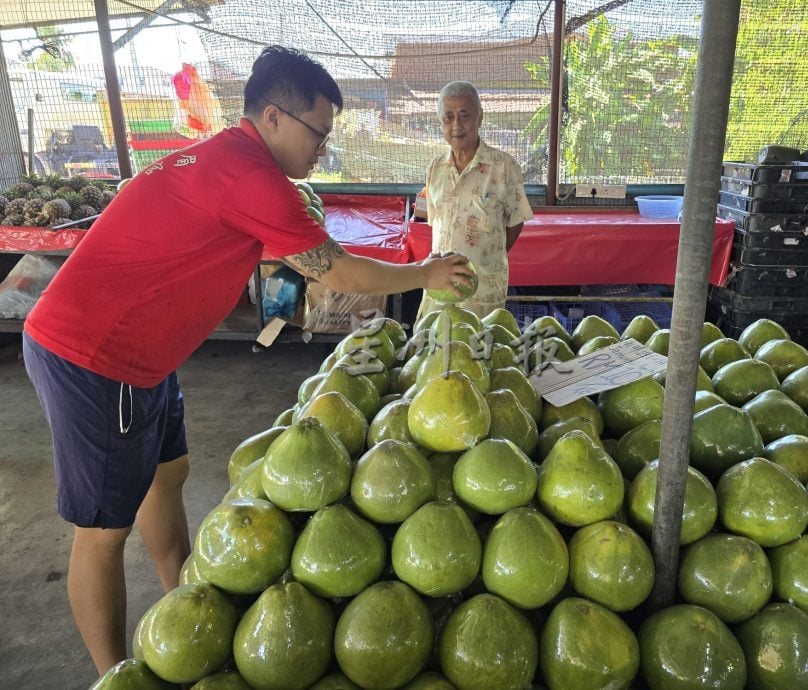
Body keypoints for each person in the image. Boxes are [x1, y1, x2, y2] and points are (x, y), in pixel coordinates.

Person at [21, 45, 471, 676]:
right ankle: (116, 674)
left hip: (146, 358)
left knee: (166, 475)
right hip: (96, 356)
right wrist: (425, 271)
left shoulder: (231, 160)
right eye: (319, 132)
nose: (323, 148)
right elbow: (335, 271)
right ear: (274, 116)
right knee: (102, 531)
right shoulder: (249, 176)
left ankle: (187, 601)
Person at [415, 80, 534, 321]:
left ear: (480, 117)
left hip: (482, 294)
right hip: (438, 292)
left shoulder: (504, 167)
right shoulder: (435, 168)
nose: (456, 125)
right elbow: (437, 224)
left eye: (464, 116)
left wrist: (486, 257)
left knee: (480, 353)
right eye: (448, 117)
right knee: (429, 352)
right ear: (441, 123)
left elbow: (515, 221)